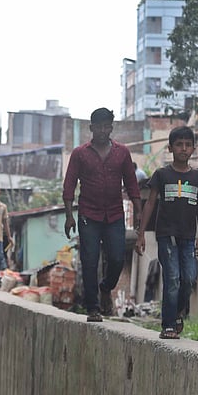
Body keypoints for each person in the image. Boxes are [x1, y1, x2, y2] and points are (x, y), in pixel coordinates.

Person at [63, 107, 142, 322]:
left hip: (115, 214)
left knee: (116, 258)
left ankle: (106, 288)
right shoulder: (80, 154)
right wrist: (69, 216)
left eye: (106, 126)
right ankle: (93, 308)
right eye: (98, 127)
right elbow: (69, 186)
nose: (102, 131)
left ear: (111, 128)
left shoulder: (122, 153)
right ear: (91, 128)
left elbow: (132, 184)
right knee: (89, 261)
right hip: (88, 214)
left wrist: (138, 213)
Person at [136, 126, 198, 339]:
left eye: (187, 145)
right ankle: (168, 324)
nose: (183, 149)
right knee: (173, 277)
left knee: (189, 278)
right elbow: (149, 203)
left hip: (188, 237)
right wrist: (141, 234)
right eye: (179, 144)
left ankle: (177, 314)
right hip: (166, 234)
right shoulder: (162, 174)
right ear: (170, 148)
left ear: (193, 148)